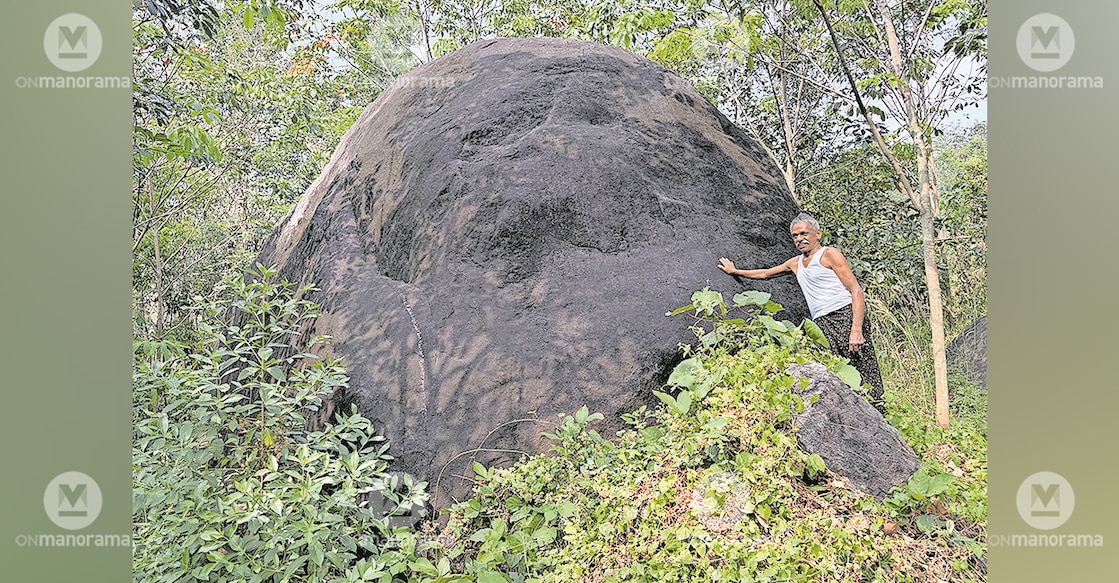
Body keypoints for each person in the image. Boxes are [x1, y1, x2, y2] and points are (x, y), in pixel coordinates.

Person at [717, 212, 885, 413]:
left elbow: (856, 291)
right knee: (834, 369)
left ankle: (880, 412)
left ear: (817, 233)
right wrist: (735, 271)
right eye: (795, 236)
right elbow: (765, 273)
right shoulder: (795, 263)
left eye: (804, 233)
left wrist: (856, 329)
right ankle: (850, 415)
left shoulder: (829, 254)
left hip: (845, 314)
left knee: (863, 365)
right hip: (822, 322)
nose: (799, 239)